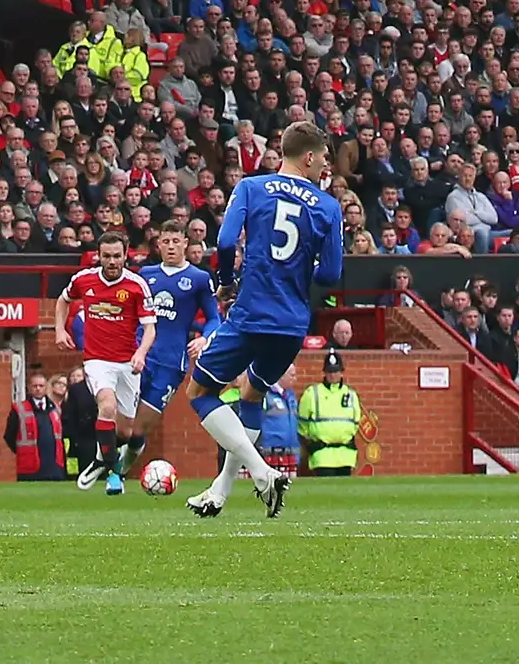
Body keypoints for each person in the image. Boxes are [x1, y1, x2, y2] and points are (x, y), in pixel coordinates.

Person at [182, 115, 349, 520]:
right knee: (251, 393)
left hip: (252, 312)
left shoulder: (251, 187)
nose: (326, 164)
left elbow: (224, 241)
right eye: (324, 157)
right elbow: (330, 275)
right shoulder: (328, 205)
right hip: (292, 323)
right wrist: (297, 270)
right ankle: (221, 492)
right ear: (308, 157)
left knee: (199, 393)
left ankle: (261, 472)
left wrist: (225, 280)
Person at [55, 230, 154, 494]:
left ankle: (101, 460)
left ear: (125, 256)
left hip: (128, 364)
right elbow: (63, 300)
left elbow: (151, 328)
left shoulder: (136, 286)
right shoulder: (83, 280)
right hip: (97, 361)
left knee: (125, 430)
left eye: (117, 256)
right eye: (106, 256)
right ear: (98, 256)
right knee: (106, 405)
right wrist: (59, 330)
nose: (112, 262)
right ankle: (113, 474)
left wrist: (141, 353)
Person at [127, 221, 216, 492]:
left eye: (176, 241)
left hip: (171, 363)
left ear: (186, 244)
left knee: (139, 429)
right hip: (141, 357)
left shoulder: (199, 278)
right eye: (166, 242)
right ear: (159, 245)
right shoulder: (146, 274)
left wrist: (203, 338)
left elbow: (215, 318)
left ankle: (120, 466)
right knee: (121, 421)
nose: (171, 247)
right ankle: (113, 474)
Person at [294, 349, 363, 477]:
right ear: (324, 372)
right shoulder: (312, 393)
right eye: (330, 371)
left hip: (346, 455)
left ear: (342, 373)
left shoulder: (351, 394)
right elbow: (302, 426)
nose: (333, 375)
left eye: (336, 371)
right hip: (322, 456)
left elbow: (356, 423)